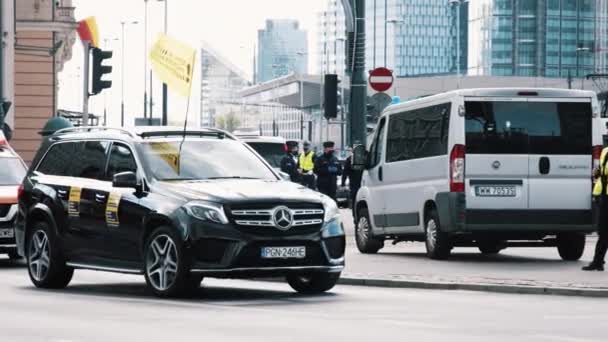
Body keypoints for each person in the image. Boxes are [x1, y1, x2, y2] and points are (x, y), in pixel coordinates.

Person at [584, 148, 608, 271]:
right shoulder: (605, 151)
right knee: (603, 231)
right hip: (603, 196)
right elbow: (601, 171)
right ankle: (598, 261)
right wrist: (597, 172)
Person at [341, 147, 363, 211]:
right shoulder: (363, 159)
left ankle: (355, 215)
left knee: (355, 199)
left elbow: (345, 172)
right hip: (362, 183)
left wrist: (343, 183)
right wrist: (343, 183)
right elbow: (345, 172)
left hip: (354, 184)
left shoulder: (349, 159)